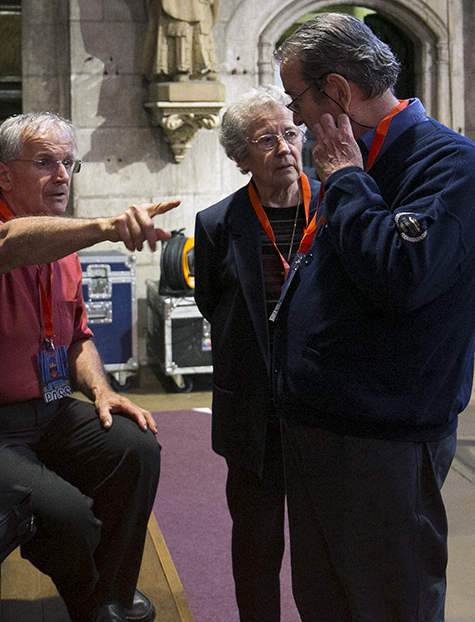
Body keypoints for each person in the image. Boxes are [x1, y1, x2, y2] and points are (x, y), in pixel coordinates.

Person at [0, 113, 180, 622]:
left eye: (69, 163)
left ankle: (108, 596)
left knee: (135, 447)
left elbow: (77, 341)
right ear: (3, 175)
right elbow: (7, 246)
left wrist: (101, 389)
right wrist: (107, 227)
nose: (62, 175)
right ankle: (95, 603)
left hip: (40, 412)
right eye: (45, 162)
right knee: (69, 516)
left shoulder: (63, 248)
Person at [273, 13, 475, 622]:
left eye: (298, 98)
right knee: (326, 600)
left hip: (384, 433)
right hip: (324, 421)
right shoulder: (351, 158)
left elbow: (401, 274)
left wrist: (346, 178)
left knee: (388, 603)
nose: (293, 118)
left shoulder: (447, 164)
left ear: (338, 92)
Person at [194, 86, 320, 621]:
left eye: (290, 133)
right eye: (266, 140)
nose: (284, 148)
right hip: (252, 415)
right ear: (241, 156)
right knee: (256, 547)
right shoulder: (216, 225)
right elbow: (212, 306)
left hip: (324, 413)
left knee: (325, 552)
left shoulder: (340, 208)